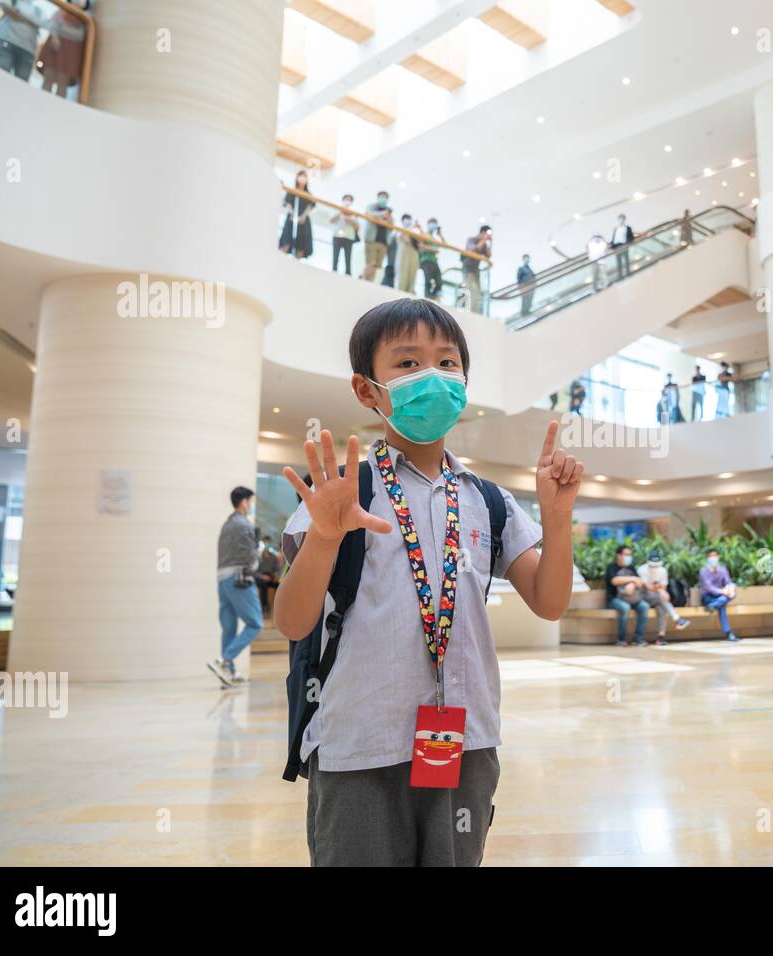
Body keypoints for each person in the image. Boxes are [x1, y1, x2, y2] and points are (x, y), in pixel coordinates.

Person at [274, 298, 581, 866]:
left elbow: (549, 600)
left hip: (463, 743)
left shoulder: (487, 499)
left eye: (447, 362)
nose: (432, 378)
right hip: (359, 745)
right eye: (408, 364)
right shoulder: (345, 495)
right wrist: (322, 537)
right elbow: (292, 621)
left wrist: (557, 519)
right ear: (368, 390)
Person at [208, 485, 263, 687]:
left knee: (229, 627)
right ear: (244, 502)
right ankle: (224, 661)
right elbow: (250, 557)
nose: (251, 506)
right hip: (239, 577)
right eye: (250, 502)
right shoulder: (244, 525)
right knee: (256, 624)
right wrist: (257, 554)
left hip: (222, 580)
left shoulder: (227, 525)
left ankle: (227, 675)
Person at [37, 0, 88, 99]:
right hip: (55, 47)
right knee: (49, 76)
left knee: (63, 80)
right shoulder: (61, 11)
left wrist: (62, 29)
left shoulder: (84, 19)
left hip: (71, 51)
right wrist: (55, 36)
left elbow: (81, 35)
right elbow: (52, 25)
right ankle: (42, 102)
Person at [638, 551, 691, 645]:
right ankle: (677, 619)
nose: (655, 567)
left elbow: (664, 587)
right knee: (662, 598)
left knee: (662, 608)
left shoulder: (663, 570)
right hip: (644, 597)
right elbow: (648, 588)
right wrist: (660, 590)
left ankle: (661, 637)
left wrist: (660, 589)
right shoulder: (642, 569)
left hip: (658, 597)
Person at [605, 545, 650, 647]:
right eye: (626, 554)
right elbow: (614, 580)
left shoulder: (631, 568)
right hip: (615, 599)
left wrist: (632, 583)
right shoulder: (611, 567)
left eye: (630, 555)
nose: (629, 557)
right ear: (618, 555)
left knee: (644, 606)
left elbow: (639, 582)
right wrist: (632, 579)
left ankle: (638, 639)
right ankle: (621, 640)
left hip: (633, 598)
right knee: (625, 608)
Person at [0, 0, 45, 81]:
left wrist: (18, 14)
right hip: (7, 41)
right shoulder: (14, 1)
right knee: (1, 77)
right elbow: (6, 8)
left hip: (27, 49)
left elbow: (42, 23)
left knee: (20, 83)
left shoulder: (39, 8)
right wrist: (29, 20)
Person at [699, 549, 739, 641]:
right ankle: (728, 633)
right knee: (722, 604)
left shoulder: (722, 570)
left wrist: (730, 589)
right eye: (711, 556)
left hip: (719, 597)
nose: (713, 558)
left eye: (715, 556)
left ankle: (711, 607)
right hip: (708, 597)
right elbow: (709, 588)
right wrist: (723, 592)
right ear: (707, 558)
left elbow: (728, 582)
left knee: (726, 598)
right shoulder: (703, 571)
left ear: (718, 557)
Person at [279, 170, 315, 259]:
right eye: (301, 176)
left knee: (301, 245)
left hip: (304, 221)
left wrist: (302, 217)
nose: (303, 178)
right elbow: (287, 204)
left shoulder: (309, 194)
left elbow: (310, 207)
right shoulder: (291, 191)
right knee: (286, 241)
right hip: (291, 218)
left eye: (305, 176)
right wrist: (294, 215)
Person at [362, 191, 392, 282]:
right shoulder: (371, 207)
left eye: (385, 197)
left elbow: (391, 225)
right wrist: (381, 215)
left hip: (383, 242)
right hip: (372, 240)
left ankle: (370, 282)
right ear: (378, 197)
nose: (384, 198)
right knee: (371, 263)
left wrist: (387, 218)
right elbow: (368, 214)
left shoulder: (389, 211)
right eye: (382, 196)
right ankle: (364, 280)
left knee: (376, 265)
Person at [462, 225, 491, 313]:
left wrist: (490, 242)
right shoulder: (471, 240)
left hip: (476, 271)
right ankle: (466, 311)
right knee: (471, 290)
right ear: (482, 232)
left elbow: (489, 255)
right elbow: (473, 249)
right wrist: (484, 240)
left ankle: (474, 312)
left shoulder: (485, 244)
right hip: (468, 269)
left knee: (478, 293)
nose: (488, 236)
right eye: (487, 233)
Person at [329, 195, 359, 275]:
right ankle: (334, 270)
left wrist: (351, 220)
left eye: (349, 200)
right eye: (346, 199)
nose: (348, 201)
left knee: (348, 256)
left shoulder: (354, 213)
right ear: (343, 200)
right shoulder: (337, 209)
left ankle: (348, 273)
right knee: (336, 255)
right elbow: (331, 220)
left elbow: (358, 227)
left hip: (349, 237)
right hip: (337, 235)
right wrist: (340, 213)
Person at [419, 217, 445, 298]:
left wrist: (440, 235)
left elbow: (444, 244)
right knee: (428, 281)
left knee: (439, 281)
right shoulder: (424, 235)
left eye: (435, 223)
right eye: (432, 223)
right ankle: (427, 297)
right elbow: (421, 246)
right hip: (426, 260)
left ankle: (433, 297)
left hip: (434, 261)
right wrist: (433, 250)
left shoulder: (434, 238)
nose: (433, 225)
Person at [256, 535, 282, 613]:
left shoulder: (274, 557)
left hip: (271, 577)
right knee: (264, 584)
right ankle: (264, 606)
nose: (267, 544)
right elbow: (255, 571)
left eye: (268, 543)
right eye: (265, 543)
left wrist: (275, 576)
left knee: (280, 585)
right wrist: (262, 576)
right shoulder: (258, 557)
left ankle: (279, 608)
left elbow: (277, 570)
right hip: (260, 578)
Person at [395, 214, 420, 293]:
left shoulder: (414, 234)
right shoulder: (399, 230)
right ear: (402, 220)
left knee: (412, 277)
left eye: (409, 219)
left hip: (413, 256)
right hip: (403, 256)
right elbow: (403, 237)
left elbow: (419, 245)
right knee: (403, 277)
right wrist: (413, 226)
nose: (408, 221)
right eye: (407, 219)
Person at [610, 214, 634, 279]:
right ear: (618, 220)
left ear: (625, 220)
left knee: (626, 260)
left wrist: (627, 242)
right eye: (620, 219)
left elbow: (631, 237)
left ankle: (628, 274)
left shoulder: (627, 228)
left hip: (624, 245)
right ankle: (620, 276)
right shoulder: (616, 228)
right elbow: (614, 238)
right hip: (617, 247)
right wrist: (612, 246)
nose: (621, 220)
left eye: (622, 219)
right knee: (619, 262)